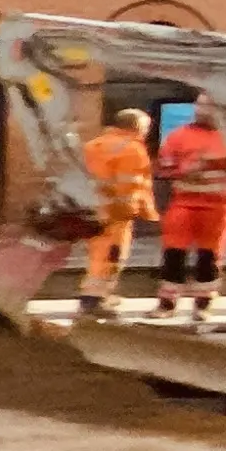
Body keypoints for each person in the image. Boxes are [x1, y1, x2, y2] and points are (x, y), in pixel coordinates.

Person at [150, 108, 226, 326]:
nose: (201, 111)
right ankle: (167, 302)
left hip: (221, 205)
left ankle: (203, 304)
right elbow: (164, 168)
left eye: (207, 106)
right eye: (199, 106)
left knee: (210, 255)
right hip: (184, 202)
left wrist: (224, 164)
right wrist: (186, 169)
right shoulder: (178, 135)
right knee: (173, 252)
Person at [76, 108, 155, 319]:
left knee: (96, 254)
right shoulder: (133, 150)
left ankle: (97, 296)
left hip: (91, 210)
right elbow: (130, 187)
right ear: (136, 127)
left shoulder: (92, 145)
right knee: (111, 257)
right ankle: (93, 300)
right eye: (146, 127)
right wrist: (139, 211)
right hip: (116, 215)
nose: (147, 132)